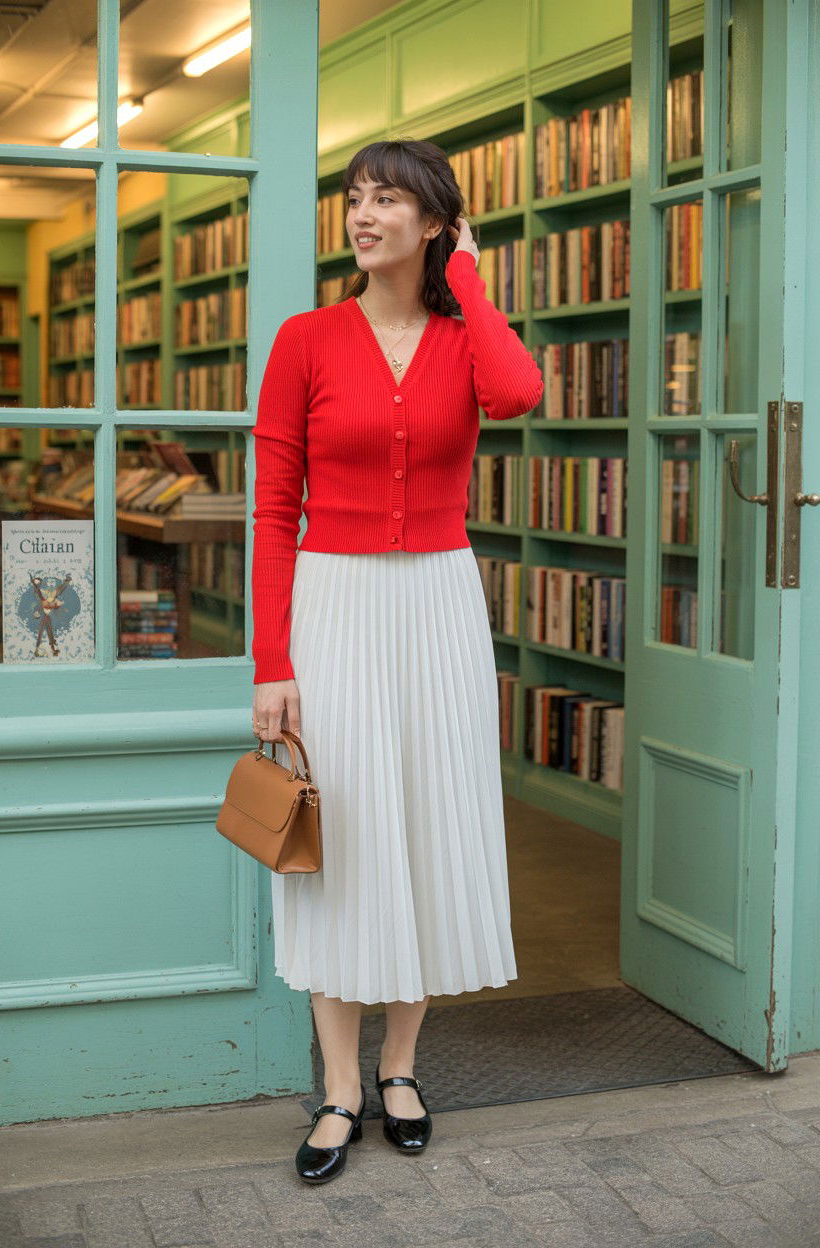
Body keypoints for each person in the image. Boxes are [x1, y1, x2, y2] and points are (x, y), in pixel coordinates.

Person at [251, 138, 543, 1185]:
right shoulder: (306, 340)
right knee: (342, 837)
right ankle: (338, 1086)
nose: (364, 214)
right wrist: (269, 663)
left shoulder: (466, 340)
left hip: (436, 603)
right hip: (332, 604)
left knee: (423, 823)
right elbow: (273, 506)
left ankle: (403, 1070)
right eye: (355, 198)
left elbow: (519, 392)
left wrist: (466, 273)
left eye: (389, 200)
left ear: (432, 222)